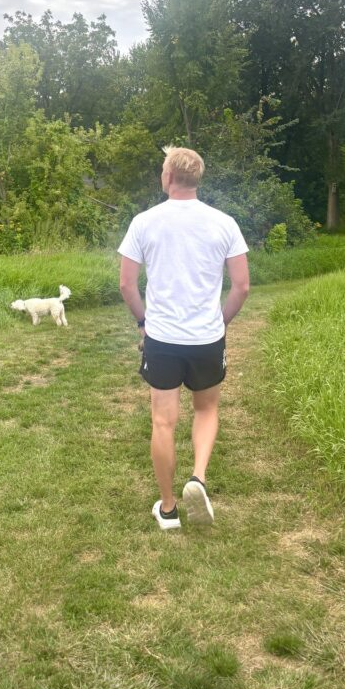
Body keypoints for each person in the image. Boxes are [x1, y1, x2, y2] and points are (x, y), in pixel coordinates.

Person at [118, 146, 250, 530]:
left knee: (163, 421)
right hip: (206, 338)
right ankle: (198, 478)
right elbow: (241, 286)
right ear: (197, 178)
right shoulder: (225, 223)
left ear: (168, 176)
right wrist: (219, 323)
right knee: (206, 409)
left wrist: (143, 323)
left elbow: (127, 284)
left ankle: (169, 509)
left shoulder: (144, 222)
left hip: (162, 337)